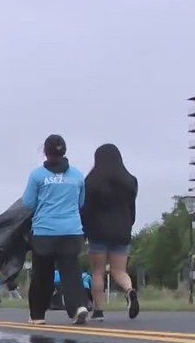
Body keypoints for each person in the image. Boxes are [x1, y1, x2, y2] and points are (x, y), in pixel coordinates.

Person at [22, 133, 89, 325]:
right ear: (64, 151)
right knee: (71, 270)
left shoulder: (37, 175)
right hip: (72, 230)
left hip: (45, 231)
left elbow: (28, 203)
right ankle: (78, 307)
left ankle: (37, 315)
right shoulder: (77, 175)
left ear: (45, 152)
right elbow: (81, 202)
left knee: (42, 274)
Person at [80, 142, 140, 321]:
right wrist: (128, 225)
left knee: (98, 271)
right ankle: (130, 291)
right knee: (119, 271)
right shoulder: (130, 181)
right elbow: (132, 209)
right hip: (121, 231)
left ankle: (98, 311)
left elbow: (85, 210)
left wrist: (83, 231)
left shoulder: (90, 182)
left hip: (98, 231)